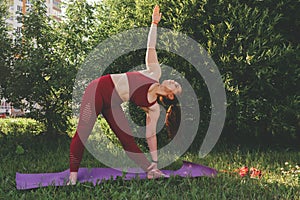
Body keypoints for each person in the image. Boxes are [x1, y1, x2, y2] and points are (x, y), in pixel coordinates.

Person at [68, 5, 182, 185]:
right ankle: (72, 177)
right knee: (83, 133)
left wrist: (155, 162)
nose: (174, 81)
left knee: (127, 139)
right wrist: (154, 23)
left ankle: (151, 172)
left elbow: (150, 136)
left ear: (170, 96)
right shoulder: (154, 72)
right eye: (175, 82)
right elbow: (150, 47)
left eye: (176, 86)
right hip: (97, 90)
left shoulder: (153, 109)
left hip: (112, 104)